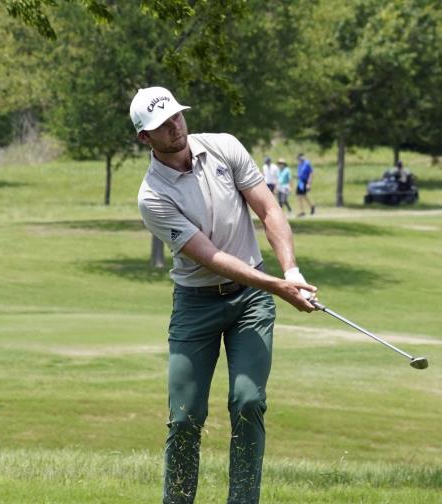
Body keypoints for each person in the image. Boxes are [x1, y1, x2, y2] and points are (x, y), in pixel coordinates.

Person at [130, 86, 318, 504]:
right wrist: (278, 286)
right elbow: (211, 257)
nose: (175, 127)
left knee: (248, 401)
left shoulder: (224, 147)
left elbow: (268, 209)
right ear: (145, 137)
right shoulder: (152, 196)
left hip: (250, 302)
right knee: (185, 417)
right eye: (162, 125)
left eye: (176, 116)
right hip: (196, 304)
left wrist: (291, 270)